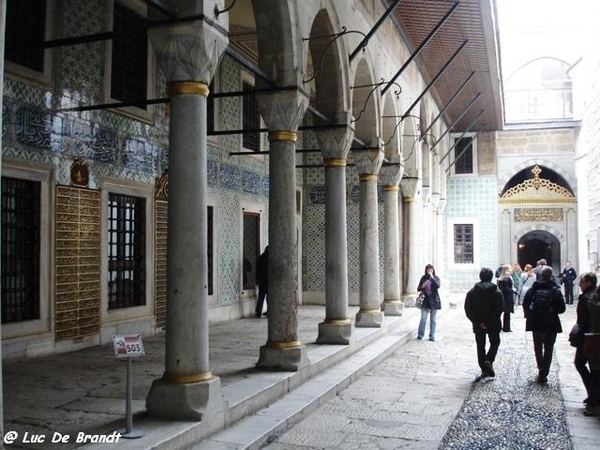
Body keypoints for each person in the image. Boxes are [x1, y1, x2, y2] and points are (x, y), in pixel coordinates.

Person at [522, 266, 566, 384]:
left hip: (536, 323)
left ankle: (540, 368)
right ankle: (544, 372)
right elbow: (562, 309)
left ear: (541, 275)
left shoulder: (534, 289)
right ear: (551, 276)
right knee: (549, 348)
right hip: (551, 323)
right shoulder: (555, 290)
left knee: (538, 347)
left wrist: (529, 314)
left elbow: (525, 303)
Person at [464, 267, 504, 380]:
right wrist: (490, 322)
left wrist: (478, 322)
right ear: (491, 277)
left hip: (478, 325)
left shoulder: (472, 292)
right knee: (495, 342)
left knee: (480, 346)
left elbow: (468, 309)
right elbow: (499, 309)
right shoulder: (497, 292)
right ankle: (489, 360)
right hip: (493, 324)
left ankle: (484, 369)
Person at [572, 272, 597, 408]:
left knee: (580, 363)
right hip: (591, 335)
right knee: (593, 367)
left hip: (587, 337)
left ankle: (593, 394)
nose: (579, 284)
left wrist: (578, 336)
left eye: (581, 282)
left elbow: (583, 320)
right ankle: (593, 394)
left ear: (589, 283)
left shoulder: (586, 298)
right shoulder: (593, 296)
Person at [585, 287, 600, 416]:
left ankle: (592, 399)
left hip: (594, 339)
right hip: (596, 339)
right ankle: (593, 401)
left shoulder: (591, 301)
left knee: (596, 372)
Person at [416, 264, 441, 342]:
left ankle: (432, 336)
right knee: (423, 318)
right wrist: (422, 286)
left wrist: (432, 278)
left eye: (431, 269)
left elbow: (437, 286)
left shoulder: (436, 278)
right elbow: (418, 288)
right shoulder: (423, 278)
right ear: (426, 270)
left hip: (434, 301)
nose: (430, 271)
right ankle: (420, 334)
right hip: (425, 301)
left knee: (433, 320)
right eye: (428, 269)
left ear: (433, 270)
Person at [496, 264, 515, 332]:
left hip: (502, 297)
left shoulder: (501, 278)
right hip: (507, 297)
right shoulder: (507, 277)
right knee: (507, 314)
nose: (511, 269)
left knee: (499, 313)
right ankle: (506, 327)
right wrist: (512, 290)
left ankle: (498, 326)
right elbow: (506, 288)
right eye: (510, 268)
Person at [254, 246, 269, 318]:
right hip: (269, 281)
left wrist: (257, 279)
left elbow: (257, 269)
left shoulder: (261, 258)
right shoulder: (271, 259)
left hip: (262, 280)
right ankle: (270, 311)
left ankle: (258, 311)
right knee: (269, 298)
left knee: (261, 297)